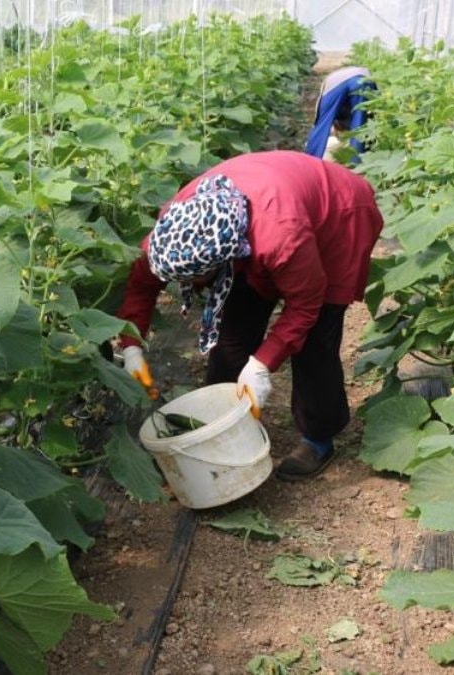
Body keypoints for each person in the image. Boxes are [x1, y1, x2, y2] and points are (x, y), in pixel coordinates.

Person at [115, 150, 384, 481]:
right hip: (269, 200)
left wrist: (261, 365)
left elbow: (305, 306)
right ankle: (223, 423)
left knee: (315, 341)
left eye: (194, 281)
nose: (185, 286)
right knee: (233, 335)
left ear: (222, 260)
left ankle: (318, 437)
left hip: (339, 216)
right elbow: (142, 285)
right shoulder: (174, 232)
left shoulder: (281, 240)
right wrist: (130, 346)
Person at [305, 66, 376, 162]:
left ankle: (311, 160)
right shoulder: (347, 113)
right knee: (360, 127)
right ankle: (356, 164)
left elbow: (319, 122)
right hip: (364, 80)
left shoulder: (326, 90)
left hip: (336, 85)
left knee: (321, 126)